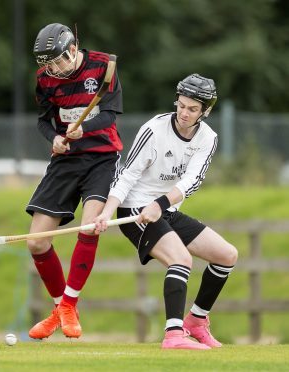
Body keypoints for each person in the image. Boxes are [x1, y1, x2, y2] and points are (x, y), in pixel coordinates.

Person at [94, 73, 238, 350]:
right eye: (181, 105)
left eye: (193, 109)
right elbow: (126, 176)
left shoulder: (208, 138)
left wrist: (159, 205)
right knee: (181, 259)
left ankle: (196, 321)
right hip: (134, 209)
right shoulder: (154, 130)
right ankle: (173, 335)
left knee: (226, 255)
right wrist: (106, 212)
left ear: (205, 111)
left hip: (163, 208)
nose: (184, 113)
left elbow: (191, 182)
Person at [25, 23, 123, 340]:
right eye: (47, 64)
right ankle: (60, 307)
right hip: (65, 160)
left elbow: (110, 113)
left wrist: (87, 126)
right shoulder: (45, 80)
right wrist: (54, 138)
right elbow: (44, 121)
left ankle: (70, 302)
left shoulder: (103, 66)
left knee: (89, 225)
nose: (53, 69)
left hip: (101, 158)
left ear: (71, 49)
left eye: (57, 61)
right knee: (36, 241)